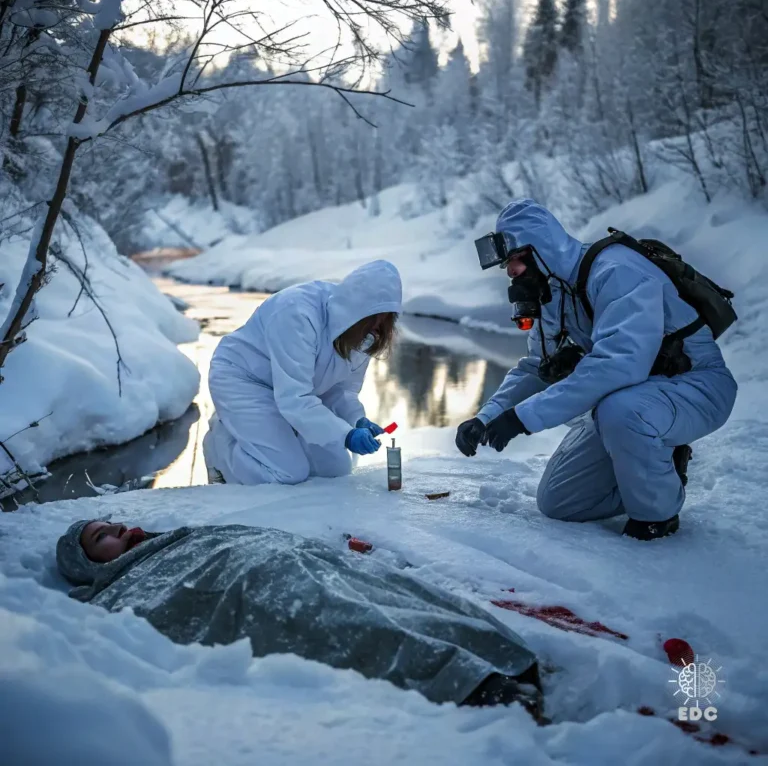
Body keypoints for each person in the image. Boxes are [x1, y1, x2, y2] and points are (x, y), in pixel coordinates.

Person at [55, 519, 544, 718]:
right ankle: (470, 681)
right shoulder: (127, 583)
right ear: (96, 565)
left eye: (111, 522)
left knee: (384, 590)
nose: (118, 529)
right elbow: (147, 611)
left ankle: (494, 646)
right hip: (252, 578)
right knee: (331, 616)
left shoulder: (179, 534)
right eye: (104, 538)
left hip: (280, 554)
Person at [456, 200, 737, 540]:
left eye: (513, 260)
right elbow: (534, 367)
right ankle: (650, 467)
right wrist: (486, 416)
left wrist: (522, 418)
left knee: (620, 411)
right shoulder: (554, 293)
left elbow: (617, 366)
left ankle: (657, 514)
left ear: (538, 249)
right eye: (506, 265)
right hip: (636, 400)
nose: (510, 271)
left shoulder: (616, 271)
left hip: (695, 387)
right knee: (558, 501)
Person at [203, 260, 401, 486]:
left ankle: (263, 437)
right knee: (286, 473)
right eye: (372, 320)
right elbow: (294, 398)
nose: (377, 329)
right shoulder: (297, 313)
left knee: (335, 471)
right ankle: (221, 444)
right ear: (355, 310)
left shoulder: (364, 334)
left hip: (293, 392)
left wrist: (355, 420)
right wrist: (344, 435)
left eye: (383, 322)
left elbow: (341, 389)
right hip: (244, 381)